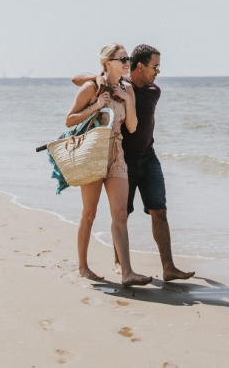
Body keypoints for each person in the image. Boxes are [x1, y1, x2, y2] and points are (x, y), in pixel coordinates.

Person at [72, 44, 195, 281]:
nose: (158, 71)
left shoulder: (147, 90)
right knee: (107, 213)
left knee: (149, 210)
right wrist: (99, 82)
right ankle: (105, 266)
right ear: (140, 66)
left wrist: (129, 102)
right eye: (155, 66)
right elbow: (76, 83)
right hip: (110, 155)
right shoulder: (107, 83)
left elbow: (141, 123)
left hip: (140, 157)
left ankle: (158, 269)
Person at [66, 43, 152, 286]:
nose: (128, 62)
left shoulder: (128, 89)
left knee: (121, 214)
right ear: (108, 62)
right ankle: (83, 267)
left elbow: (132, 127)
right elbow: (69, 120)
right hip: (93, 152)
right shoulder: (91, 87)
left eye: (129, 58)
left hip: (117, 154)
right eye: (123, 58)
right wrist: (96, 105)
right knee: (89, 213)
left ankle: (127, 272)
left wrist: (127, 99)